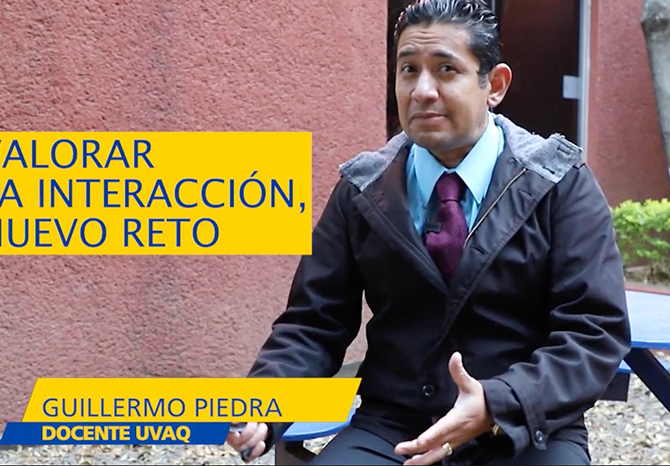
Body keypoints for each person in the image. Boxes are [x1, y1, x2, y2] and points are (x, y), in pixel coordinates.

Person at [226, 0, 631, 464]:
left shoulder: (557, 183)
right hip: (394, 426)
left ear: (495, 85)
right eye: (408, 70)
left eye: (445, 70)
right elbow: (314, 322)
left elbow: (594, 332)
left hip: (522, 428)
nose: (422, 91)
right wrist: (266, 402)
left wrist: (499, 401)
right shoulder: (363, 189)